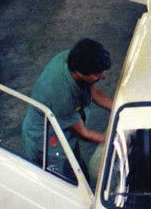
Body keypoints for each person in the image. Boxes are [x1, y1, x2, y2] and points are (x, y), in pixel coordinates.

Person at [22, 38, 113, 179]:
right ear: (80, 73)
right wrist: (113, 140)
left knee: (79, 168)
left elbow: (93, 92)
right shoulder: (61, 94)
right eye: (97, 74)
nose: (103, 77)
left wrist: (120, 109)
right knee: (66, 182)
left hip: (64, 124)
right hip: (49, 142)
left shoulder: (73, 57)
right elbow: (83, 133)